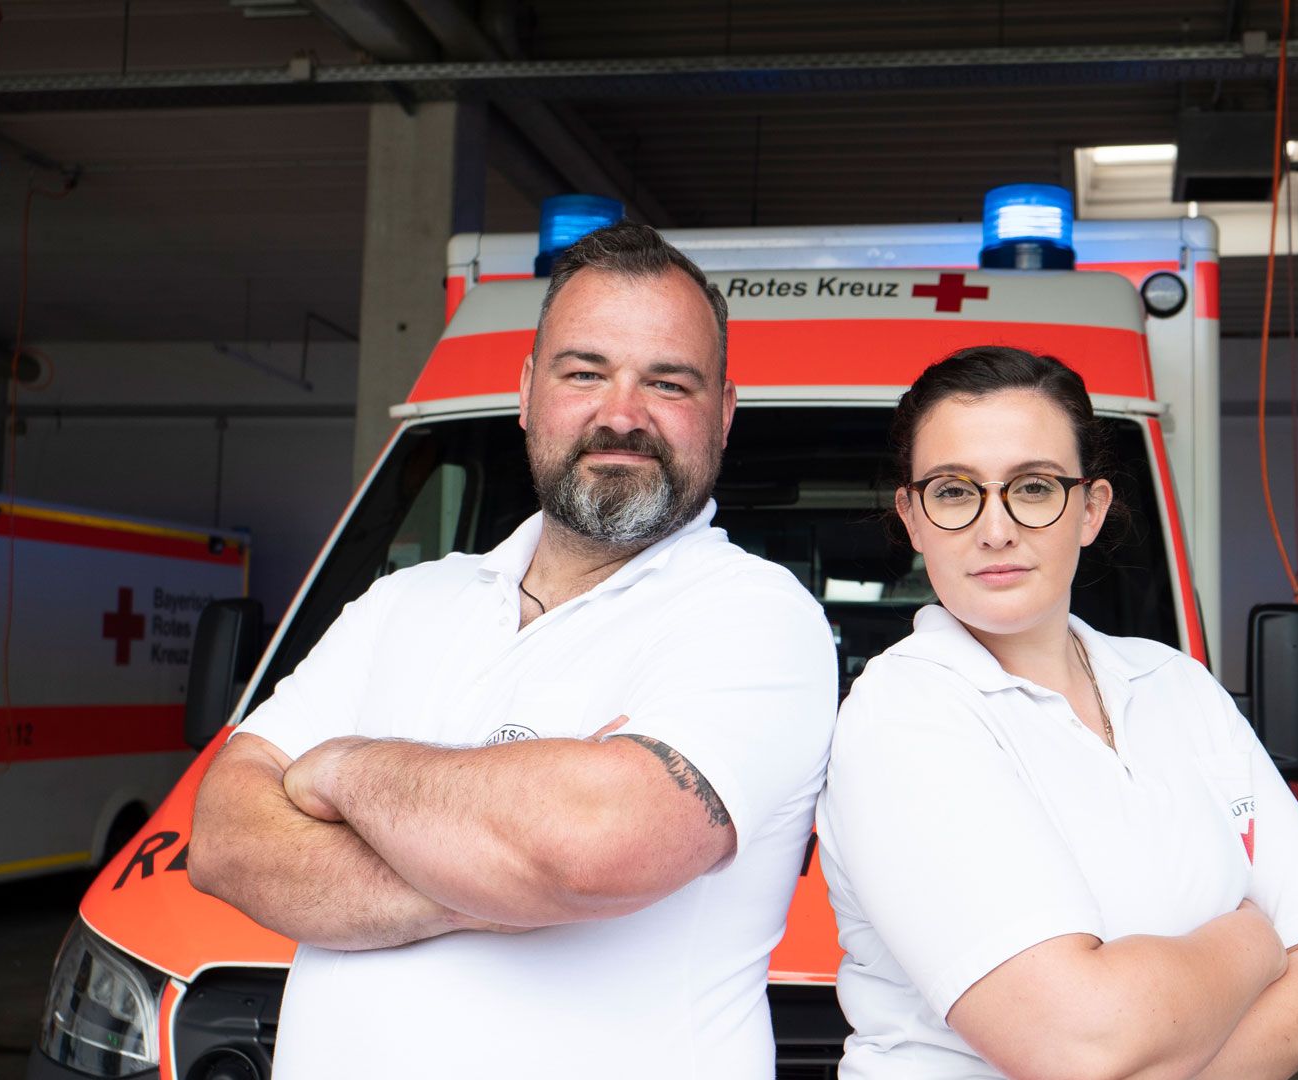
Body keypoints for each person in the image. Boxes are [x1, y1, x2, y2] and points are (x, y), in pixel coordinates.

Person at [189, 222, 839, 1079]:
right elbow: (223, 840)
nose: (622, 415)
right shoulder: (404, 601)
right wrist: (496, 882)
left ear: (723, 414)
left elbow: (591, 848)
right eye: (585, 372)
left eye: (668, 383)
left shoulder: (756, 614)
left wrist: (343, 769)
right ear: (529, 392)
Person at [817, 346, 1298, 1079]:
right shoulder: (903, 712)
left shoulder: (1177, 685)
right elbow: (1079, 1045)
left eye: (1034, 487)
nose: (995, 529)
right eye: (955, 491)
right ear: (913, 518)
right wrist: (1257, 942)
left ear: (1091, 510)